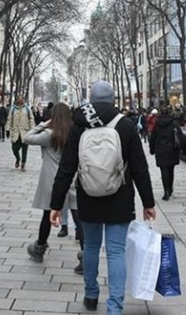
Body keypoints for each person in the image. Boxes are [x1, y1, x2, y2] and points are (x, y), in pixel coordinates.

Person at [49, 80, 156, 314]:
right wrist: (148, 203)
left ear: (91, 99)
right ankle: (114, 306)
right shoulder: (126, 125)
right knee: (116, 251)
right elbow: (140, 167)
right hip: (120, 197)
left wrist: (56, 205)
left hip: (88, 196)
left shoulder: (79, 126)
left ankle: (90, 294)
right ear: (112, 99)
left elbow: (66, 168)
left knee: (91, 247)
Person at [23, 103, 83, 271]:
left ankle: (39, 248)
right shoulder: (74, 133)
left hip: (52, 179)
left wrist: (43, 124)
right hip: (72, 177)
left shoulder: (49, 135)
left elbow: (27, 137)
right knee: (78, 216)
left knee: (47, 215)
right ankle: (86, 257)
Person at [149, 106, 186, 201]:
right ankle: (170, 188)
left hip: (160, 150)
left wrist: (152, 150)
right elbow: (181, 137)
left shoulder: (157, 124)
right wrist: (185, 150)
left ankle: (166, 191)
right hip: (172, 150)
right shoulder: (174, 123)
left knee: (163, 170)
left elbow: (153, 138)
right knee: (171, 170)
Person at [6, 96, 34, 171]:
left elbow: (31, 119)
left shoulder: (27, 109)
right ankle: (18, 158)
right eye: (19, 98)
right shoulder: (13, 109)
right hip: (16, 132)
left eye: (22, 98)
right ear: (17, 100)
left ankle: (23, 164)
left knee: (25, 149)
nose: (21, 100)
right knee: (14, 148)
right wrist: (7, 129)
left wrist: (32, 130)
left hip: (25, 132)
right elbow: (9, 119)